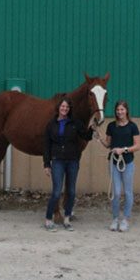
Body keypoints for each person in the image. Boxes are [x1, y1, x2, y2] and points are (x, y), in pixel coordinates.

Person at [42, 97, 92, 232]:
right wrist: (46, 164)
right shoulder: (51, 124)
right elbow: (46, 146)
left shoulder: (75, 123)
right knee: (56, 192)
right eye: (62, 107)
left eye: (67, 107)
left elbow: (86, 136)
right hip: (57, 160)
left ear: (69, 109)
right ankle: (48, 219)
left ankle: (67, 219)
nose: (64, 109)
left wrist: (92, 128)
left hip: (72, 161)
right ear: (58, 108)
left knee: (71, 191)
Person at [99, 100, 140, 232]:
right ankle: (115, 218)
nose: (119, 112)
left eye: (122, 109)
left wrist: (124, 150)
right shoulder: (111, 126)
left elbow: (138, 145)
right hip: (113, 163)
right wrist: (99, 138)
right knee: (116, 192)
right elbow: (108, 144)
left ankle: (126, 219)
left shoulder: (133, 126)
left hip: (127, 163)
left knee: (128, 192)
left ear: (126, 111)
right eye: (118, 110)